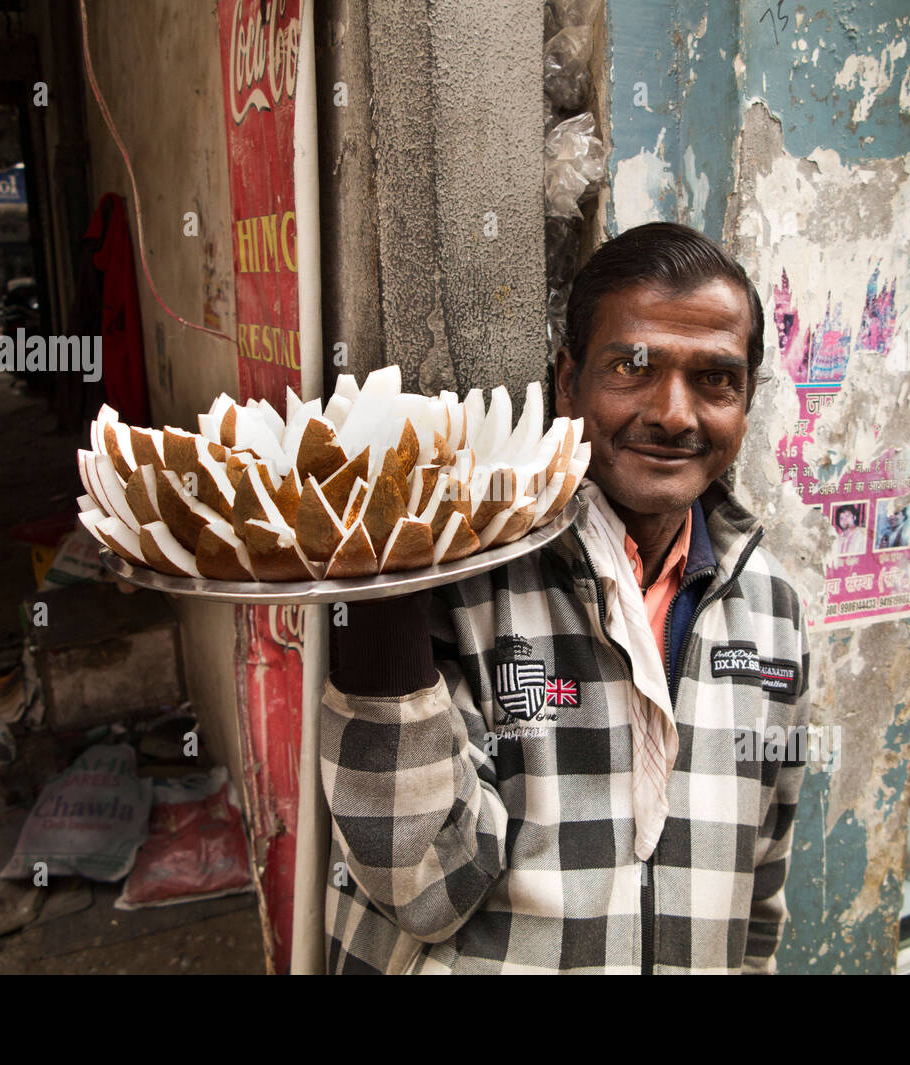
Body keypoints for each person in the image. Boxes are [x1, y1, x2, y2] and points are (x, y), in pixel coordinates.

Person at [319, 222, 811, 974]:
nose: (675, 413)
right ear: (566, 383)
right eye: (633, 367)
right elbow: (418, 886)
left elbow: (760, 889)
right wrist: (382, 601)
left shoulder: (772, 608)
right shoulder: (461, 577)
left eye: (716, 379)